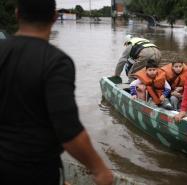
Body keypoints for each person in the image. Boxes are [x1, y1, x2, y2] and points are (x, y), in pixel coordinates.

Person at [0, 0, 113, 185]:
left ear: (17, 14)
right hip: (36, 171)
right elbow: (68, 131)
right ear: (54, 16)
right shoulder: (55, 61)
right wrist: (99, 169)